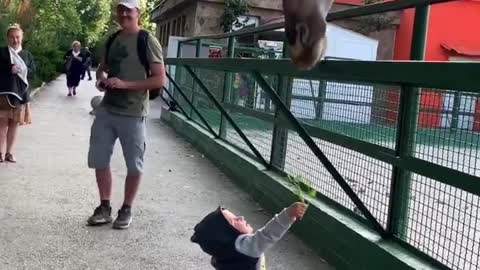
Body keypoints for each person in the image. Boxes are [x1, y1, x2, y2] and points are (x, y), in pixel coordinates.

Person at [87, 0, 166, 229]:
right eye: (120, 9)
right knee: (99, 159)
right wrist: (102, 80)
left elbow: (160, 79)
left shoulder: (147, 40)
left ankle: (126, 209)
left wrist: (124, 84)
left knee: (134, 165)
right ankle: (104, 207)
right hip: (107, 109)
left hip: (133, 113)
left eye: (128, 9)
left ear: (137, 12)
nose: (123, 13)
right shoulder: (112, 39)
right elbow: (102, 68)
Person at [191, 202, 308, 270]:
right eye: (235, 220)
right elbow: (267, 235)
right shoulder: (242, 247)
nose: (241, 217)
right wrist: (288, 215)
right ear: (226, 235)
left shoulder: (224, 253)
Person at [0, 23, 35, 163]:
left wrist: (23, 69)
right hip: (5, 95)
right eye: (12, 37)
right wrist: (10, 68)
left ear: (22, 37)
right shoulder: (2, 52)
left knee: (14, 125)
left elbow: (33, 72)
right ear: (7, 38)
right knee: (2, 124)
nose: (15, 40)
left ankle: (9, 153)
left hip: (21, 95)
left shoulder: (27, 55)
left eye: (17, 37)